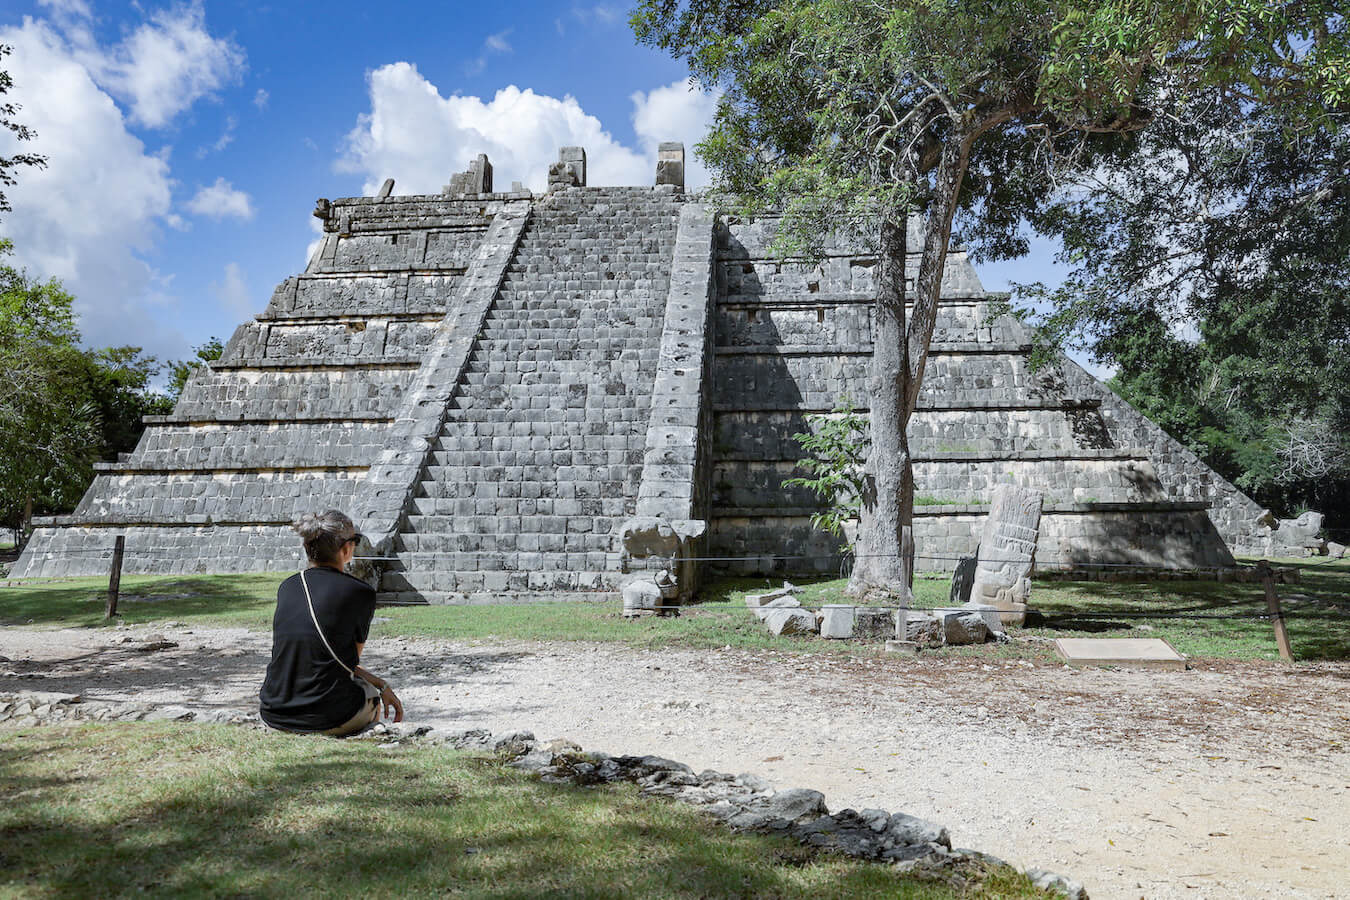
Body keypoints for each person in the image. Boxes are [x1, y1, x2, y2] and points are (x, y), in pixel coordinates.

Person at [259, 510, 403, 735]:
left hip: (274, 711)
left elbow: (333, 659)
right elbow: (348, 661)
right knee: (370, 697)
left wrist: (378, 680)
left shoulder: (287, 587)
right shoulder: (360, 593)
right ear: (346, 549)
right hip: (326, 716)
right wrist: (378, 686)